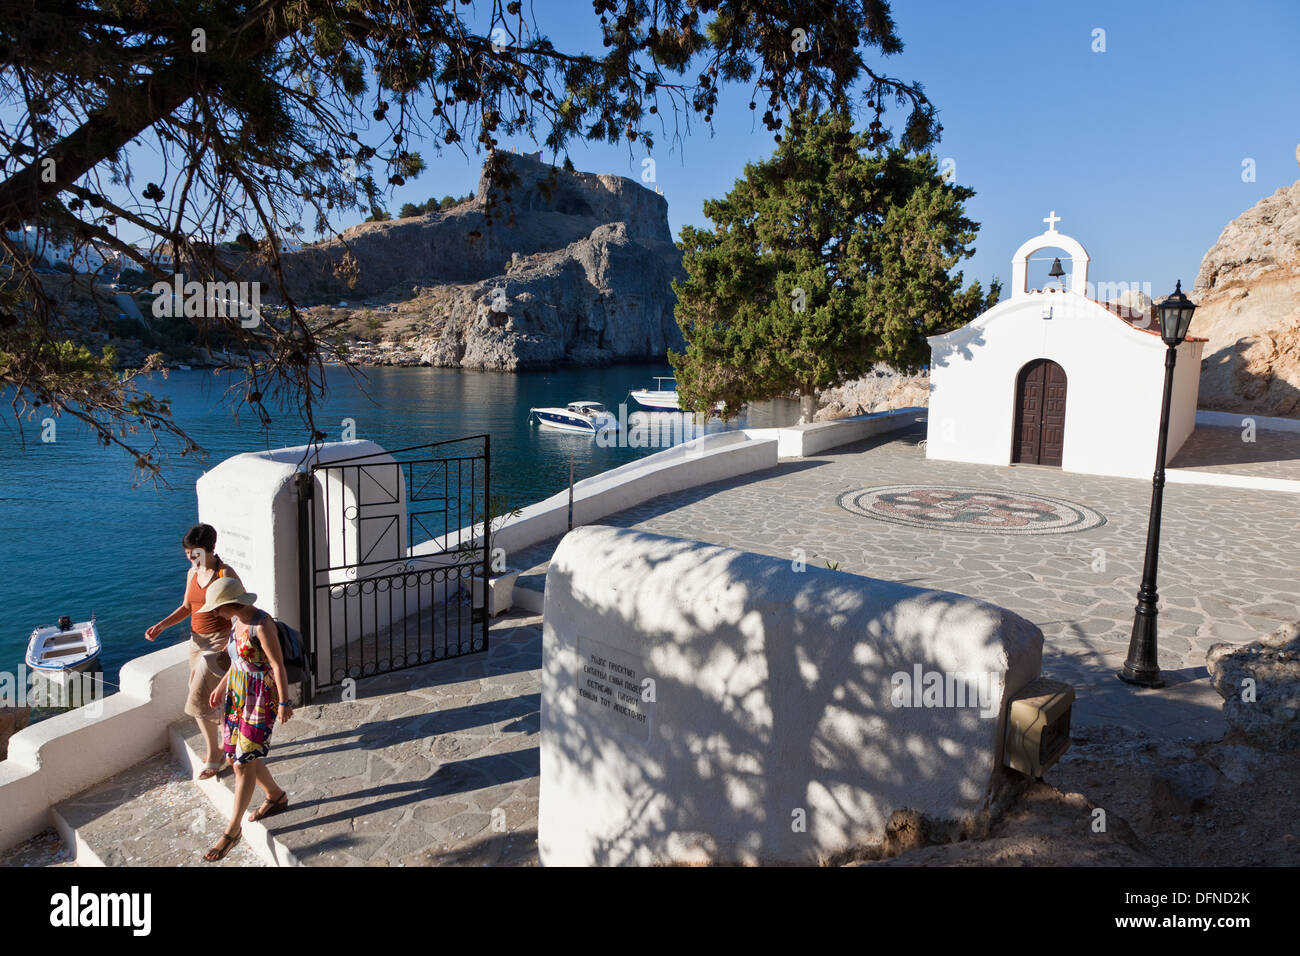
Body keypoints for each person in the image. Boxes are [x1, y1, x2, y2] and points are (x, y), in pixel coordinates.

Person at [199, 576, 294, 862]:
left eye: (217, 608)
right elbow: (238, 660)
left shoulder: (261, 624)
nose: (215, 613)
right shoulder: (236, 621)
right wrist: (221, 686)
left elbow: (277, 665)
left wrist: (284, 702)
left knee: (242, 763)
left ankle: (232, 830)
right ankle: (276, 796)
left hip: (260, 699)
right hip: (239, 696)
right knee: (236, 758)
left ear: (232, 603)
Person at [145, 524, 240, 780]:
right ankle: (224, 746)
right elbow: (187, 607)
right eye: (187, 552)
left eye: (194, 552)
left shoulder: (224, 573)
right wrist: (162, 625)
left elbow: (240, 612)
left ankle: (215, 753)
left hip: (218, 643)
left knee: (198, 698)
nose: (189, 557)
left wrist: (232, 644)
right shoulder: (192, 573)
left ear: (209, 549)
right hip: (196, 643)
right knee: (209, 698)